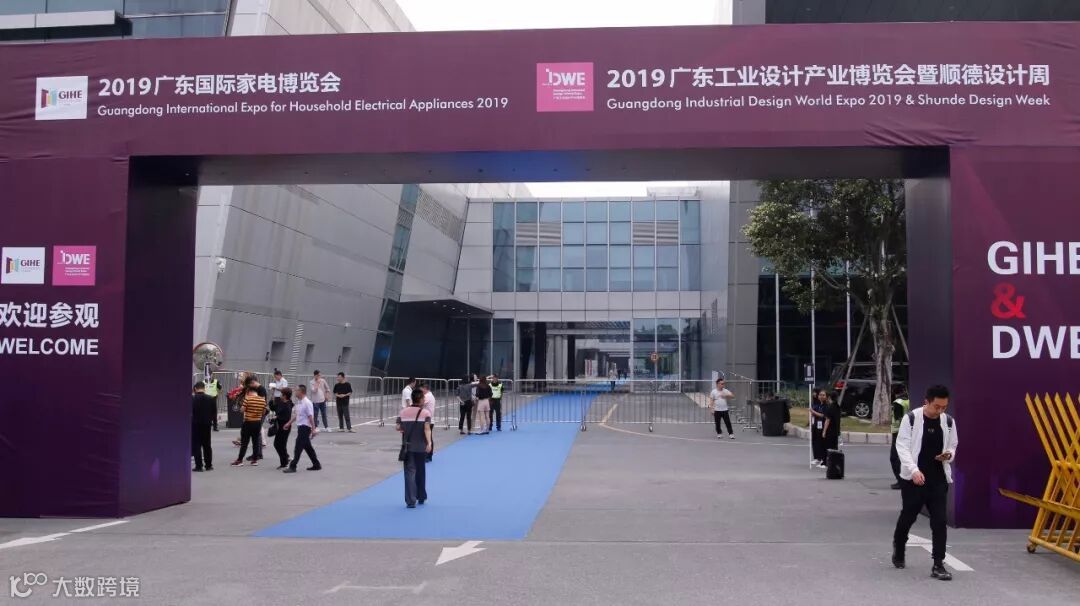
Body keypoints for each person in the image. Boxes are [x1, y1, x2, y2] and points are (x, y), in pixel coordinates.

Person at [892, 385, 958, 581]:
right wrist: (914, 470)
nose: (940, 410)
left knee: (939, 521)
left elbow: (953, 445)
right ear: (926, 402)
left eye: (944, 407)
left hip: (938, 479)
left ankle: (938, 564)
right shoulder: (911, 419)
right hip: (914, 480)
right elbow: (902, 446)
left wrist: (949, 455)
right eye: (937, 406)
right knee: (908, 516)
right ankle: (899, 547)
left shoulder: (948, 421)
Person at [397, 389, 433, 508]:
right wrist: (429, 443)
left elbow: (398, 427)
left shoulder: (403, 412)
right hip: (420, 447)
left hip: (408, 446)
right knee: (420, 471)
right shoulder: (425, 413)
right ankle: (421, 496)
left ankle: (410, 500)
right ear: (421, 399)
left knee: (409, 473)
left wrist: (404, 429)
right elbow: (427, 429)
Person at [283, 384, 322, 473]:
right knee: (308, 447)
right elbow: (297, 415)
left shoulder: (307, 403)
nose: (295, 392)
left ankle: (293, 466)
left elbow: (310, 417)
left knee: (298, 447)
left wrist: (313, 429)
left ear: (301, 392)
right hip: (300, 427)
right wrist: (289, 423)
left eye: (296, 390)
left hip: (305, 428)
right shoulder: (299, 402)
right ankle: (316, 464)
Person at [231, 380, 267, 467]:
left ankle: (240, 460)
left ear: (249, 392)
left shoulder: (248, 399)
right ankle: (254, 460)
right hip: (257, 423)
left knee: (244, 443)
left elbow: (242, 410)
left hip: (248, 422)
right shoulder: (262, 400)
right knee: (255, 442)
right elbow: (263, 412)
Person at [191, 381, 216, 472]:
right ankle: (208, 465)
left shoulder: (192, 399)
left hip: (195, 424)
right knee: (207, 445)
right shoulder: (211, 398)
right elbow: (214, 412)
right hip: (207, 424)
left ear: (195, 389)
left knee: (196, 445)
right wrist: (212, 422)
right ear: (204, 388)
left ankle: (199, 466)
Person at [890, 386, 911, 489]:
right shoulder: (908, 401)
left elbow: (898, 418)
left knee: (894, 458)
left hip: (898, 433)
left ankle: (900, 481)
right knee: (905, 457)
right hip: (908, 432)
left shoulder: (898, 403)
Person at [272, 387, 295, 469]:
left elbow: (286, 417)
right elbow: (274, 408)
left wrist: (277, 417)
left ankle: (284, 462)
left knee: (279, 444)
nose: (280, 395)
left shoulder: (287, 404)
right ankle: (285, 460)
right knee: (279, 444)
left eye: (281, 394)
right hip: (280, 426)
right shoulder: (282, 402)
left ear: (285, 396)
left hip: (285, 427)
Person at [820, 392, 842, 468]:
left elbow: (827, 420)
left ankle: (826, 463)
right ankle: (834, 463)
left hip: (830, 430)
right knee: (834, 447)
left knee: (827, 447)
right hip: (836, 430)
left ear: (829, 398)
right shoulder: (838, 407)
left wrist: (824, 431)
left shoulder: (830, 407)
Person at [809, 388, 828, 465]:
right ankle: (817, 457)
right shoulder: (818, 404)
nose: (821, 396)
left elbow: (823, 415)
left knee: (821, 442)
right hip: (815, 425)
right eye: (820, 395)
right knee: (815, 441)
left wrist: (813, 412)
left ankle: (822, 458)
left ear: (826, 396)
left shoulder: (826, 406)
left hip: (822, 426)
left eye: (823, 395)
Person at [420, 383, 436, 461]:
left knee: (426, 439)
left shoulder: (427, 396)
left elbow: (420, 404)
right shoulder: (431, 396)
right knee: (428, 438)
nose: (421, 391)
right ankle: (429, 455)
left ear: (425, 388)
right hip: (429, 419)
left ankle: (427, 455)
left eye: (421, 389)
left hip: (427, 420)